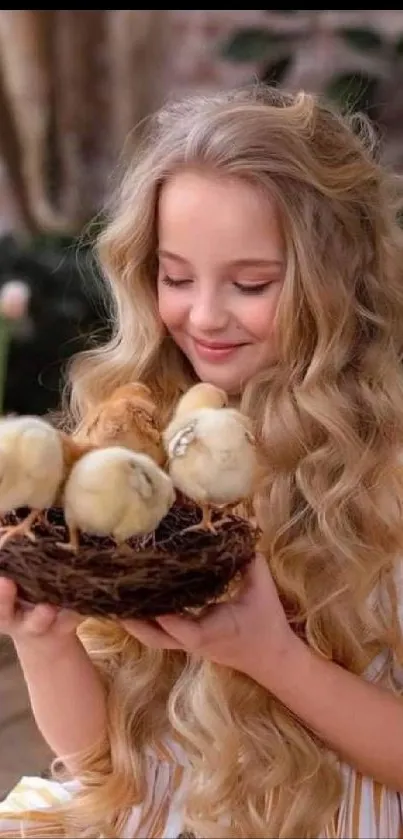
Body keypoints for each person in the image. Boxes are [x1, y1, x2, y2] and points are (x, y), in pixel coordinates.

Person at [1, 83, 403, 839]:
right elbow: (100, 761)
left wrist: (270, 655)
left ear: (336, 281)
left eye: (251, 283)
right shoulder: (129, 448)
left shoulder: (383, 477)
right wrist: (41, 634)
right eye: (175, 276)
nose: (204, 316)